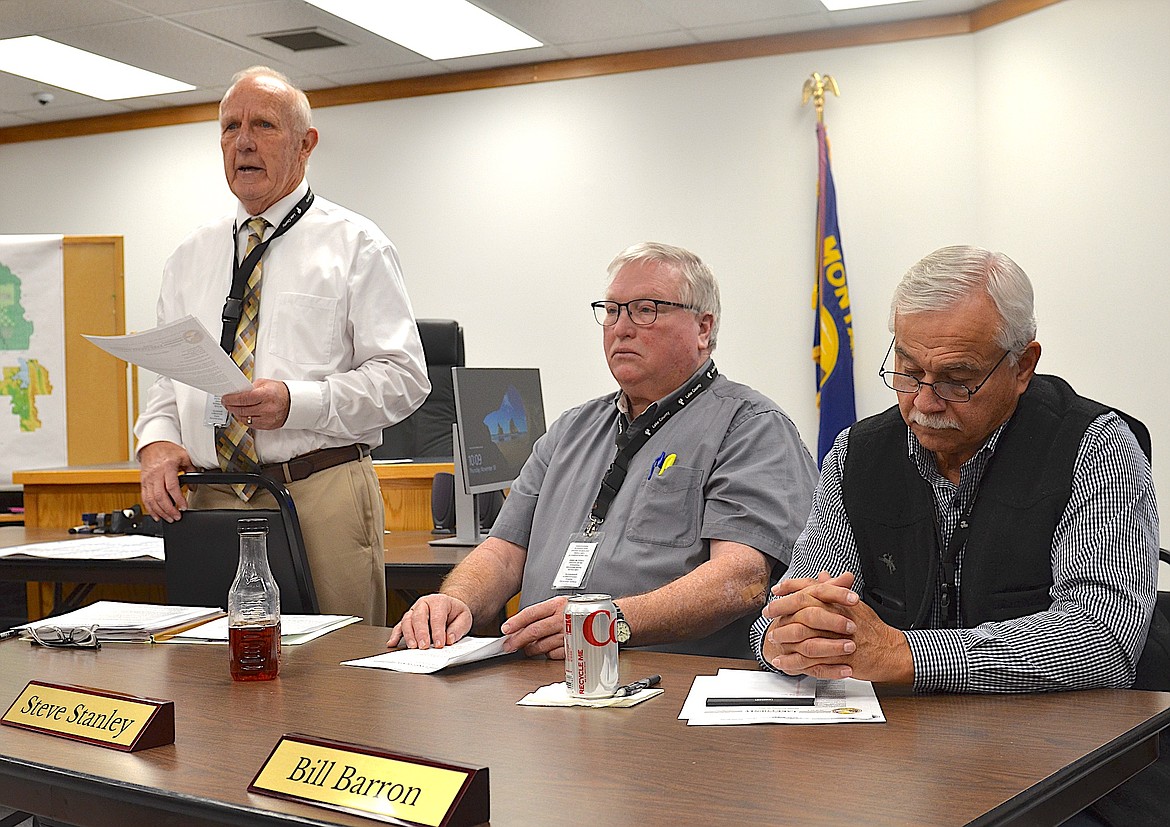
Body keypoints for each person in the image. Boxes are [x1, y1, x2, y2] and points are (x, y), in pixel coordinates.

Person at [751, 244, 1159, 690]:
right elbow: (801, 596)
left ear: (1023, 367)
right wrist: (784, 638)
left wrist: (907, 656)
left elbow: (1105, 642)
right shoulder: (858, 452)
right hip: (891, 740)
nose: (924, 403)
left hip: (1044, 739)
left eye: (956, 381)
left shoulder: (1094, 445)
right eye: (908, 371)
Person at [389, 242, 817, 659]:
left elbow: (740, 579)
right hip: (542, 680)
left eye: (645, 310)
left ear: (703, 328)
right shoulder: (570, 430)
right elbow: (502, 552)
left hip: (664, 685)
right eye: (611, 311)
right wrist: (455, 602)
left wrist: (608, 623)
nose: (622, 327)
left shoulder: (751, 428)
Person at [134, 67, 430, 625]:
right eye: (229, 127)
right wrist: (156, 442)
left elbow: (406, 378)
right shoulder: (189, 257)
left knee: (337, 686)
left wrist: (298, 402)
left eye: (264, 124)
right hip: (213, 498)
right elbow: (164, 379)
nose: (243, 141)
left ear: (305, 144)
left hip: (320, 490)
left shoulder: (356, 245)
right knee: (213, 683)